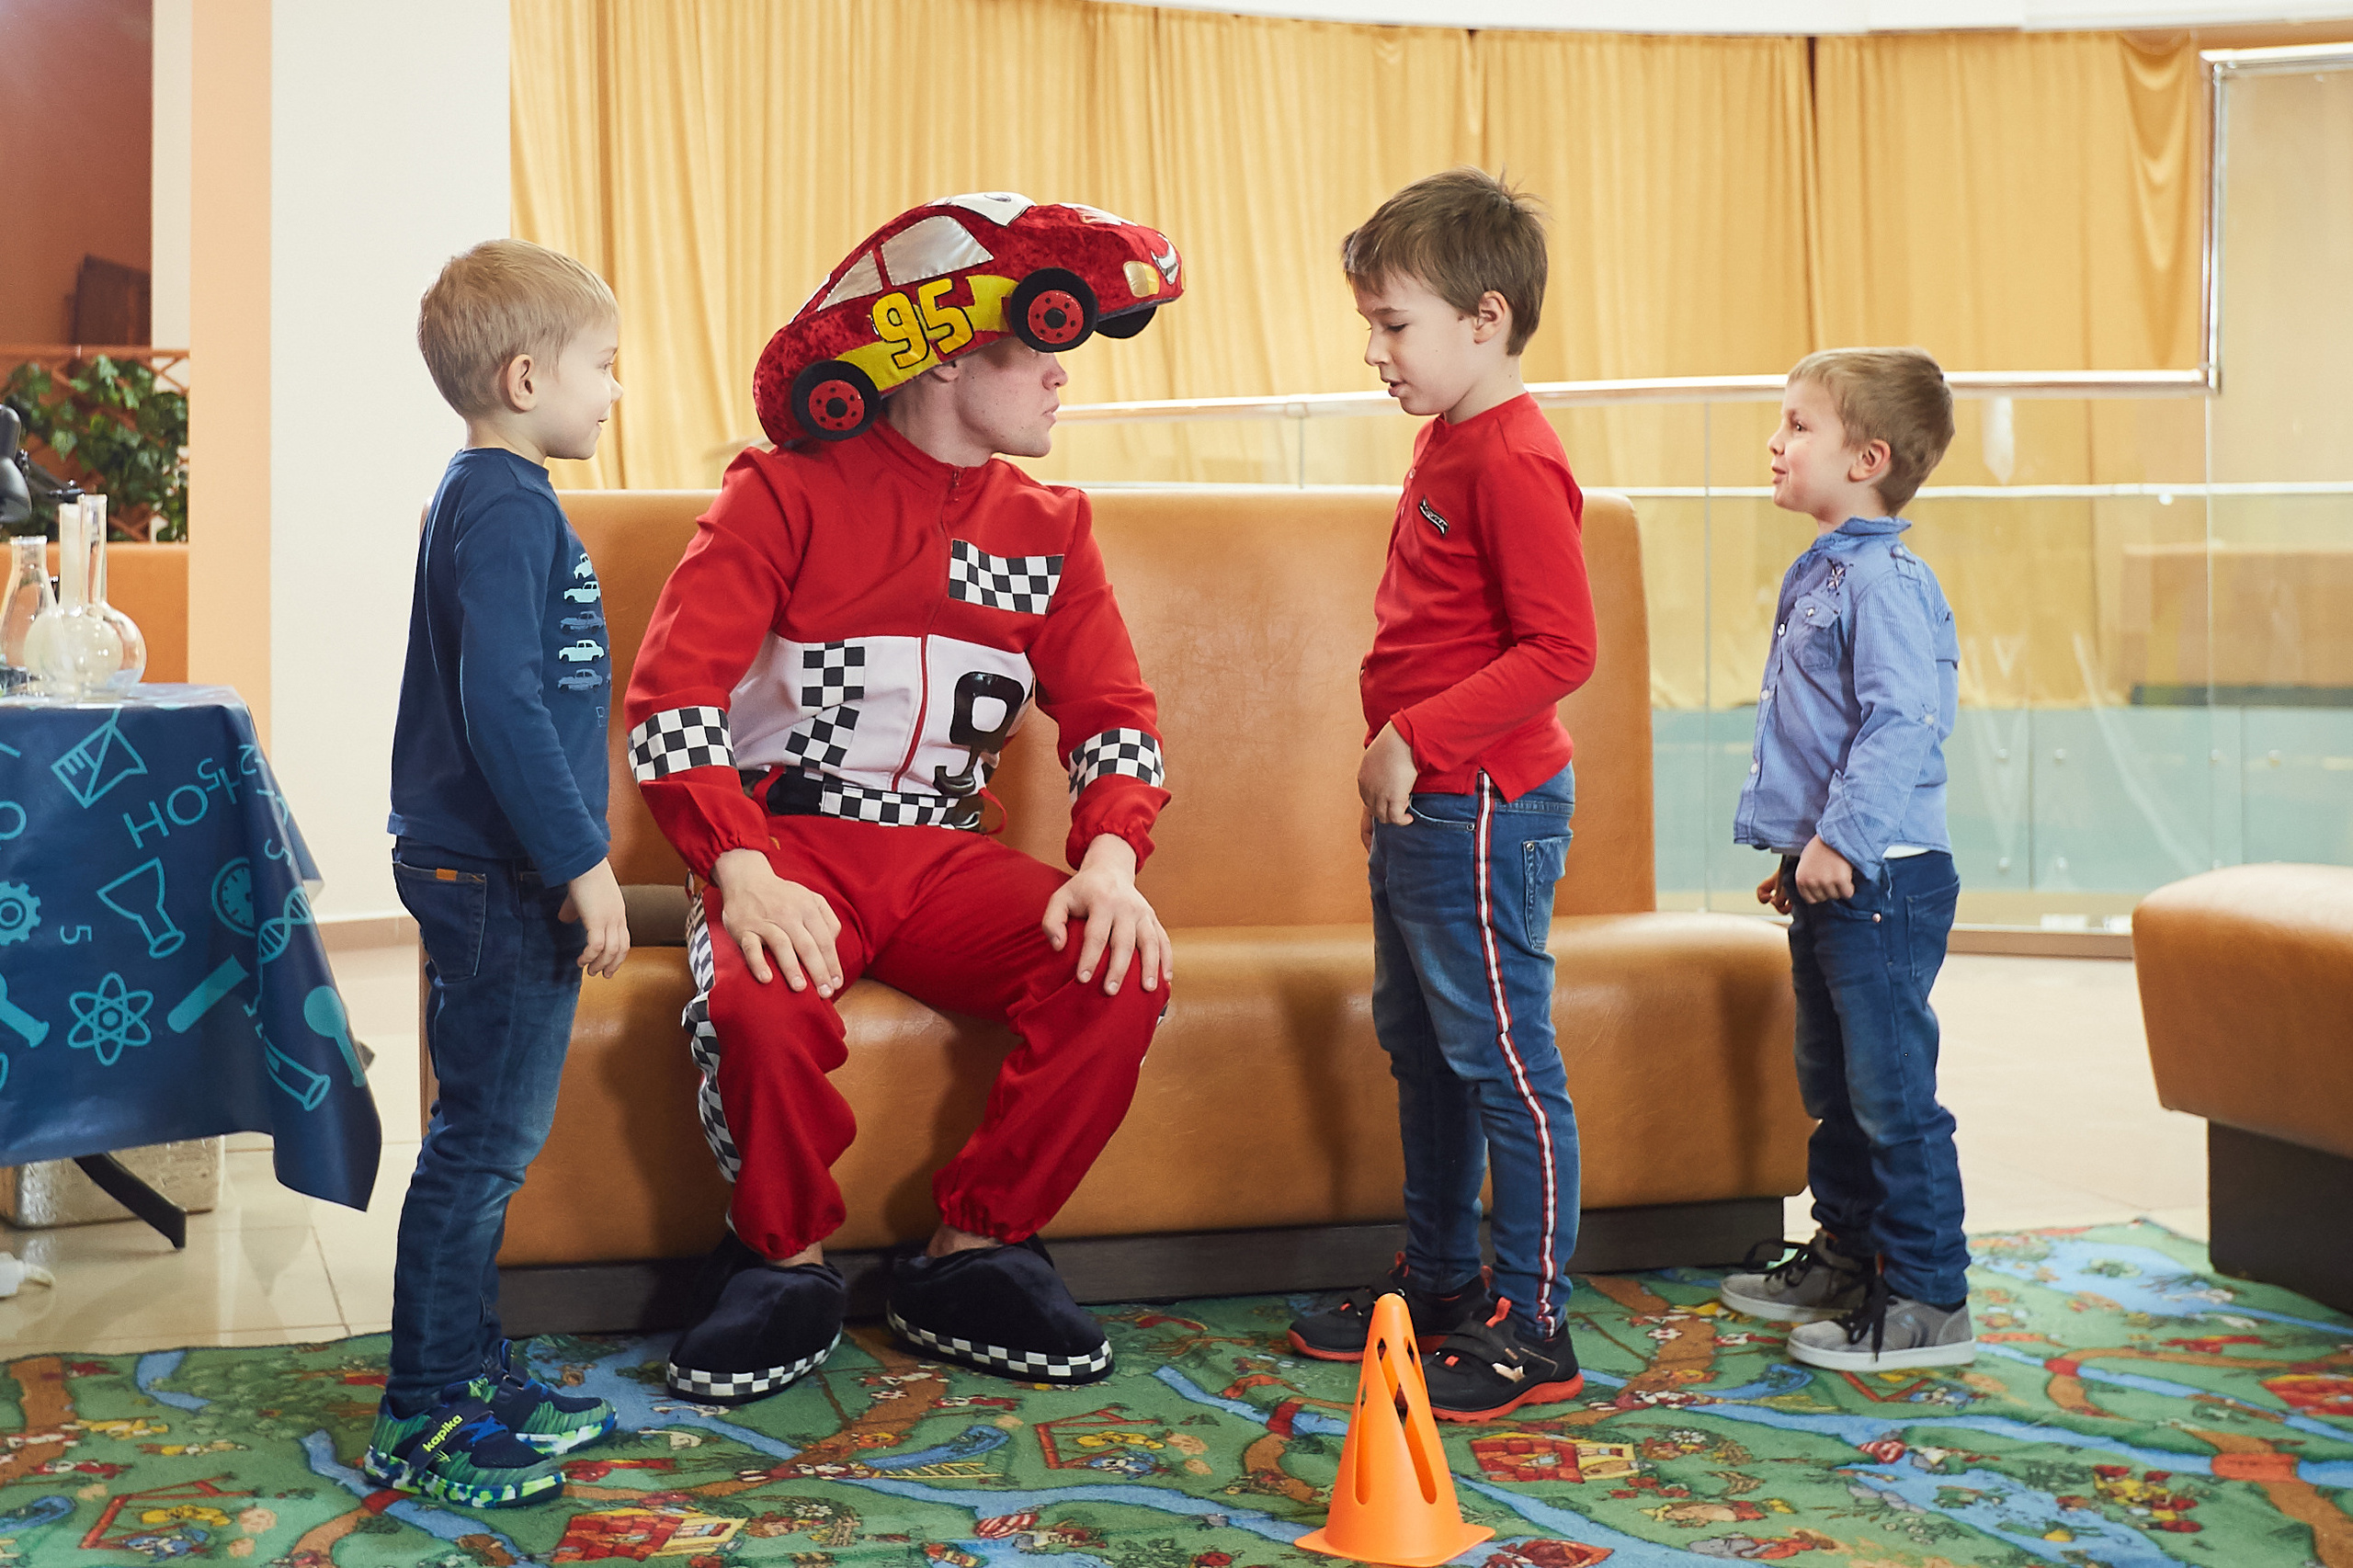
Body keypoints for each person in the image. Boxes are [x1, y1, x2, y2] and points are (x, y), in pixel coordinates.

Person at [623, 213, 1175, 1404]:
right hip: (788, 843)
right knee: (760, 1006)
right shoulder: (778, 493)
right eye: (1037, 348)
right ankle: (781, 1262)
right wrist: (741, 868)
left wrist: (1114, 859)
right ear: (942, 354)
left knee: (1115, 965)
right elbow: (672, 696)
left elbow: (1115, 718)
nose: (1060, 373)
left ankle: (977, 1251)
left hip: (944, 855)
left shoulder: (1052, 526)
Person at [1285, 168, 1597, 1423]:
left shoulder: (1515, 457)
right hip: (1427, 803)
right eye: (1368, 324)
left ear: (1486, 317)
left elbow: (1560, 650)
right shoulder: (1448, 436)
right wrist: (1397, 757)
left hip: (1479, 804)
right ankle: (1443, 1275)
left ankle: (1534, 1320)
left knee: (1501, 1058)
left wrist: (1412, 737)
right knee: (1421, 1045)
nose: (1374, 350)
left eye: (1393, 324)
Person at [369, 239, 633, 1508]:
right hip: (497, 876)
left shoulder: (490, 496)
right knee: (481, 1148)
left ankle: (469, 1368)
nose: (615, 390)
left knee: (488, 1143)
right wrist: (582, 863)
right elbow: (503, 705)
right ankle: (422, 1408)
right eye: (604, 366)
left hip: (486, 868)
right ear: (528, 376)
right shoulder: (505, 504)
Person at [1716, 347, 1973, 1372]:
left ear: (1866, 457)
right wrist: (1801, 849)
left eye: (1797, 425)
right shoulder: (1823, 568)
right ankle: (1847, 1253)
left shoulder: (1886, 580)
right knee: (1833, 1080)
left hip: (1886, 875)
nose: (1775, 442)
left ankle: (1926, 1296)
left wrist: (1842, 840)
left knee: (1892, 1091)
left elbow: (1901, 721)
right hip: (1838, 872)